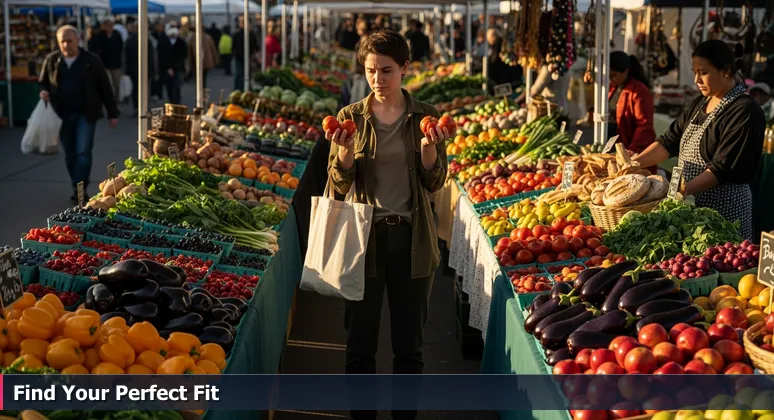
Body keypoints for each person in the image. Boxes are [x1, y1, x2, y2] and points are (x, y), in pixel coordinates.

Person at [326, 30, 449, 420]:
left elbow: (435, 182)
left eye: (386, 70)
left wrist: (429, 152)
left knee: (409, 347)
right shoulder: (349, 118)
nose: (378, 79)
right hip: (365, 243)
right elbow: (338, 182)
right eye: (371, 71)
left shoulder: (426, 116)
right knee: (359, 345)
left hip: (413, 239)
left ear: (405, 69)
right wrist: (344, 156)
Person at [633, 40, 765, 240]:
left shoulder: (745, 111)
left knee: (723, 262)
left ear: (726, 71)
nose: (697, 80)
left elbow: (722, 168)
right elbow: (667, 143)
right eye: (694, 72)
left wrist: (679, 193)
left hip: (725, 211)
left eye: (703, 72)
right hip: (692, 206)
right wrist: (633, 164)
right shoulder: (698, 104)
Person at [39, 25, 118, 201]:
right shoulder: (52, 60)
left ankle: (79, 188)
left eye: (69, 41)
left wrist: (112, 113)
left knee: (83, 152)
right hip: (61, 115)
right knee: (70, 154)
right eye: (62, 41)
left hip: (86, 114)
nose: (66, 45)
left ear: (78, 40)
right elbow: (42, 81)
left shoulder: (91, 61)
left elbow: (105, 88)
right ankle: (77, 185)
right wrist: (44, 91)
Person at [608, 51, 656, 154]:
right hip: (614, 145)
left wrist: (631, 151)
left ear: (625, 72)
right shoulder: (612, 88)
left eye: (614, 75)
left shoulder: (639, 91)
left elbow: (644, 126)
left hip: (630, 147)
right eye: (609, 76)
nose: (611, 79)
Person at [124, 22, 156, 115]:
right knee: (142, 89)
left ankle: (138, 107)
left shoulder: (131, 40)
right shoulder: (144, 40)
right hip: (141, 69)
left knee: (137, 89)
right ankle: (141, 107)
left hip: (138, 69)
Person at [92, 18, 124, 103]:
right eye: (107, 26)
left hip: (116, 64)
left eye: (111, 26)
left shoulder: (117, 35)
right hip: (104, 64)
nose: (109, 28)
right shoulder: (99, 36)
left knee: (117, 84)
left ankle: (116, 101)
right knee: (109, 85)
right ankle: (110, 101)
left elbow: (121, 48)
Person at [157, 23, 187, 104]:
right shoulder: (163, 41)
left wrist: (175, 67)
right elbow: (161, 56)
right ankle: (171, 103)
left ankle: (176, 103)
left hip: (178, 69)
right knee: (169, 87)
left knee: (176, 87)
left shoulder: (181, 42)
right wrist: (168, 68)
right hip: (166, 69)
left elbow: (183, 55)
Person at [232, 16, 258, 91]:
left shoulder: (236, 34)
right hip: (247, 58)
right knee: (245, 76)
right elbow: (255, 47)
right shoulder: (250, 34)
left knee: (238, 76)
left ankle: (237, 91)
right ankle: (243, 91)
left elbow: (233, 47)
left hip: (238, 58)